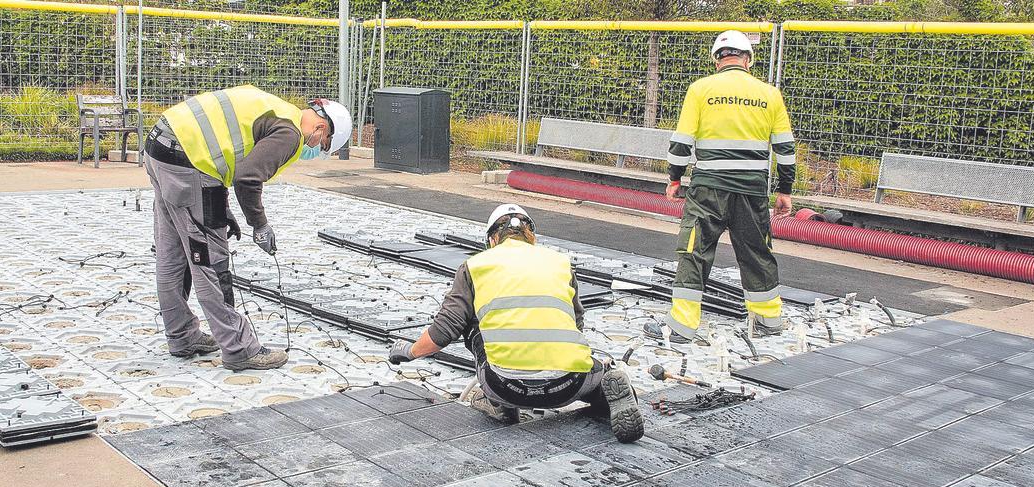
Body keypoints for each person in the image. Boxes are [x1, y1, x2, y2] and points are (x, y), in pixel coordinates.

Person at [388, 204, 643, 443]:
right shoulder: (560, 264)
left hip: (505, 385)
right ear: (532, 236)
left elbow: (444, 331)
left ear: (492, 239)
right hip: (569, 384)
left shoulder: (474, 267)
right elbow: (576, 324)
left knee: (476, 323)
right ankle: (603, 392)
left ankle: (501, 405)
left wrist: (409, 352)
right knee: (594, 369)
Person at [143, 85, 352, 371]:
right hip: (187, 159)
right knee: (211, 263)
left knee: (173, 253)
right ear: (320, 125)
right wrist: (260, 226)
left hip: (161, 147)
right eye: (323, 143)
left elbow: (224, 152)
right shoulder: (290, 133)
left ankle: (182, 336)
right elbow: (247, 178)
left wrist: (222, 208)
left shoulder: (277, 109)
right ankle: (239, 349)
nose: (315, 148)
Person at [644, 30, 796, 344]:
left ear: (717, 59)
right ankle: (768, 320)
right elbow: (785, 149)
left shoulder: (700, 90)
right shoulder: (770, 94)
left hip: (708, 189)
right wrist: (785, 190)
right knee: (757, 252)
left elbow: (681, 142)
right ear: (748, 60)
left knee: (695, 252)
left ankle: (683, 328)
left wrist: (674, 178)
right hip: (752, 191)